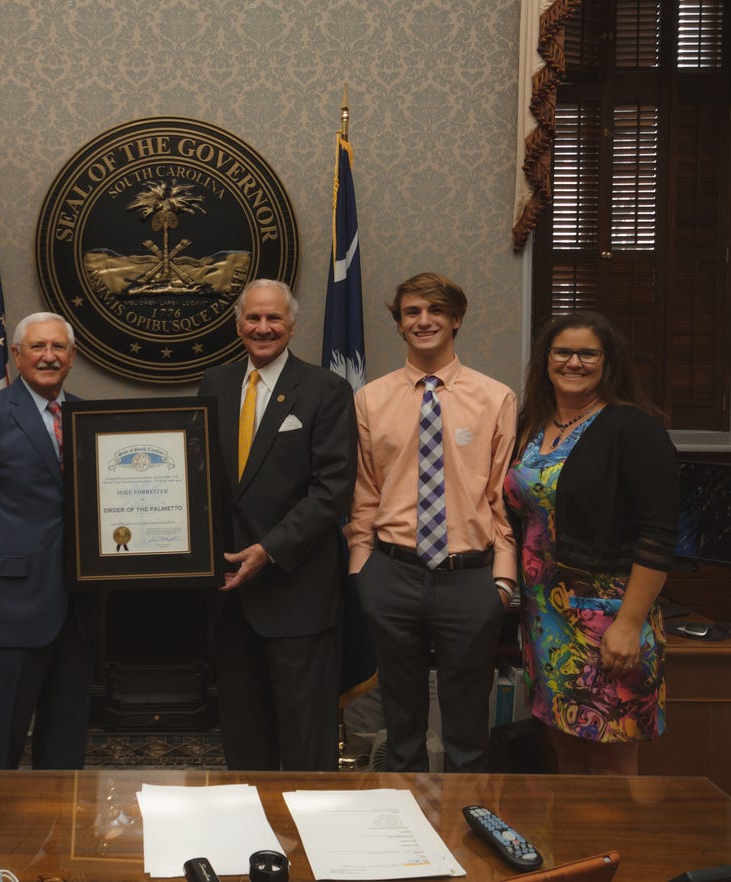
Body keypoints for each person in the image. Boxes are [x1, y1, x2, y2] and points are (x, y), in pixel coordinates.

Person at [346, 272, 517, 773]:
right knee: (400, 726)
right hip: (392, 573)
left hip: (470, 576)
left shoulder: (496, 398)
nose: (423, 321)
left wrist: (502, 582)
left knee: (467, 730)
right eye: (411, 312)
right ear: (399, 325)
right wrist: (363, 571)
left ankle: (467, 836)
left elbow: (503, 497)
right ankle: (406, 832)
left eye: (435, 310)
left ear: (456, 318)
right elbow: (365, 492)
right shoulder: (370, 399)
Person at [504, 310, 677, 775]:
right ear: (546, 359)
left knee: (612, 756)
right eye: (562, 351)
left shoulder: (634, 429)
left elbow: (659, 534)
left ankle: (618, 849)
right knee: (565, 749)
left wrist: (629, 623)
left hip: (608, 617)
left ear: (608, 361)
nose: (573, 362)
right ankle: (577, 850)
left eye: (587, 353)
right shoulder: (532, 425)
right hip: (544, 617)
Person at [197, 278, 357, 771]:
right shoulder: (215, 383)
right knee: (244, 741)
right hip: (229, 595)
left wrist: (267, 550)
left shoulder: (325, 389)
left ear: (291, 325)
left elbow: (332, 491)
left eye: (273, 319)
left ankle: (310, 845)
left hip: (296, 591)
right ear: (238, 323)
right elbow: (200, 474)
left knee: (306, 739)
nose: (262, 328)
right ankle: (253, 841)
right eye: (253, 318)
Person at [0, 311, 96, 770]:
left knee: (65, 751)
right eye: (38, 347)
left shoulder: (89, 416)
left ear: (72, 357)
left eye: (58, 348)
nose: (48, 356)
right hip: (8, 605)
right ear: (17, 356)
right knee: (2, 747)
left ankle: (60, 839)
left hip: (79, 608)